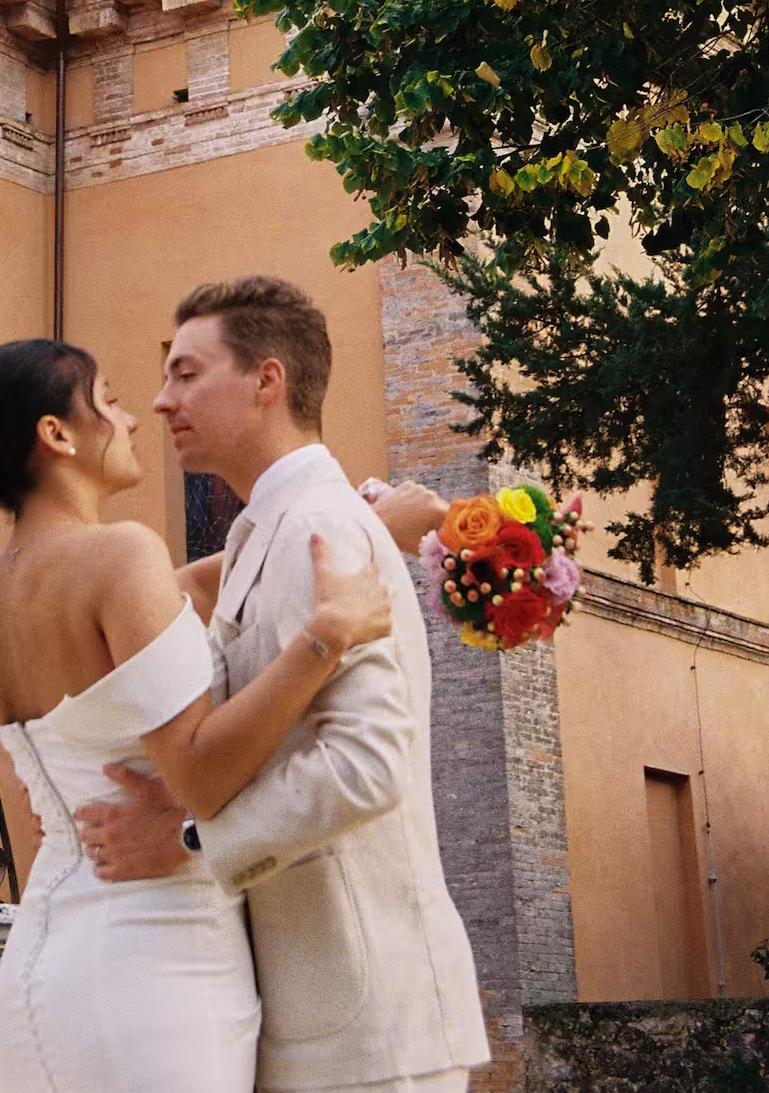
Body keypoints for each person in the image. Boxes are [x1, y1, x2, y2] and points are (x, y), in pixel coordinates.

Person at [74, 277, 489, 1093]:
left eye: (187, 373)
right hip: (312, 1016)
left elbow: (365, 765)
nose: (162, 401)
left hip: (369, 1023)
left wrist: (191, 839)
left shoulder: (320, 528)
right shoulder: (267, 528)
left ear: (269, 380)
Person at [0, 338, 396, 1093]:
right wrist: (329, 634)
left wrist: (358, 520)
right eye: (111, 400)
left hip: (42, 966)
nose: (132, 419)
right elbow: (199, 773)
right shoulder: (120, 554)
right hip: (157, 960)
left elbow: (184, 591)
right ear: (57, 435)